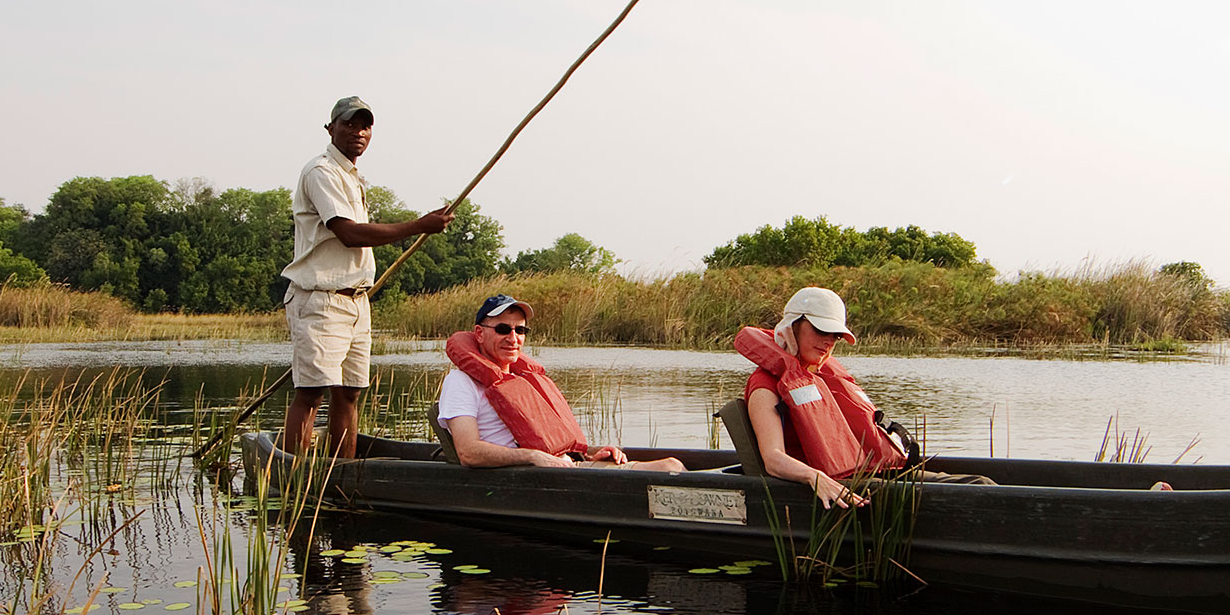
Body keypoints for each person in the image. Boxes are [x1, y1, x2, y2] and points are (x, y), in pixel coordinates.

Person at [280, 97, 454, 457]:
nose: (358, 132)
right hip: (321, 299)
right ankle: (295, 476)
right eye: (349, 124)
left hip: (356, 301)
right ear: (331, 129)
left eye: (365, 126)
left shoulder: (352, 178)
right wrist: (420, 225)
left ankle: (340, 473)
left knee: (349, 392)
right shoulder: (322, 172)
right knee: (311, 392)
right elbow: (350, 233)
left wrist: (421, 225)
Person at [736, 286, 994, 506]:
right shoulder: (764, 385)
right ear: (792, 329)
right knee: (975, 492)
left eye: (835, 336)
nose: (829, 342)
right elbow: (773, 459)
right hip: (838, 488)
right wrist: (814, 478)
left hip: (872, 474)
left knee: (981, 483)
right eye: (820, 331)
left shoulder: (823, 377)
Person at [437, 295, 686, 471]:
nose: (513, 338)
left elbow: (544, 441)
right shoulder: (461, 382)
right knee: (668, 467)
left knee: (672, 464)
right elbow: (468, 453)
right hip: (529, 475)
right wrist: (533, 457)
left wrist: (589, 453)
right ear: (479, 334)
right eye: (503, 329)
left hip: (564, 466)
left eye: (520, 330)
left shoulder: (523, 379)